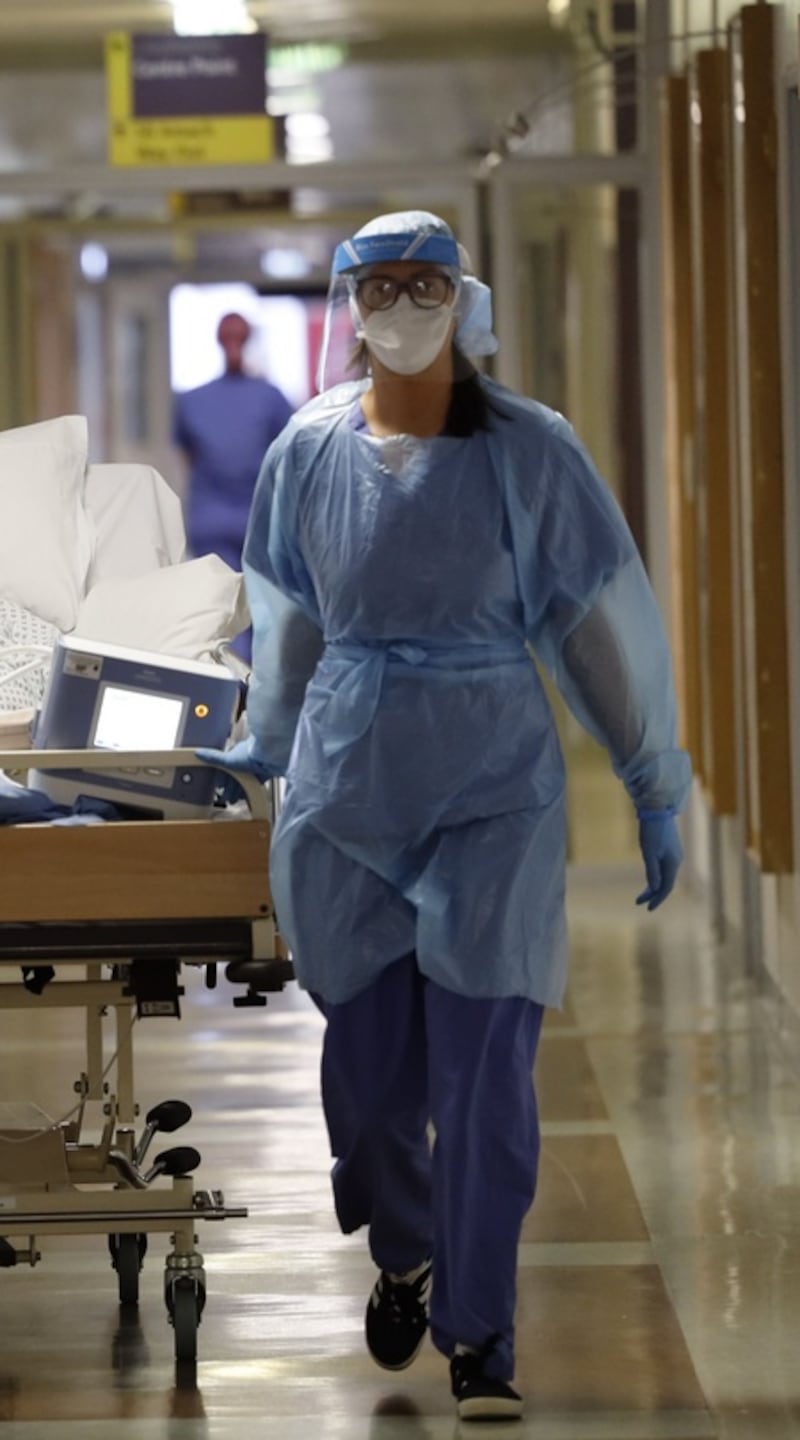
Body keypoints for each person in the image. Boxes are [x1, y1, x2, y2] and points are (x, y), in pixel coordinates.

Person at [199, 211, 692, 1423]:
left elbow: (593, 624)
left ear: (459, 296)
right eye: (381, 286)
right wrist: (259, 750)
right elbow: (289, 621)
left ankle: (482, 1334)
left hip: (489, 786)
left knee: (481, 1083)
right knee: (368, 1093)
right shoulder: (307, 451)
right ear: (348, 302)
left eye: (425, 284)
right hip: (347, 786)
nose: (403, 306)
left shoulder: (531, 451)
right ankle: (404, 1247)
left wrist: (649, 776)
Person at [172, 309, 294, 580]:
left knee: (221, 606)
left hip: (225, 519)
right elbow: (288, 459)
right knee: (257, 608)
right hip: (249, 521)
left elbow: (188, 456)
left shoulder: (194, 402)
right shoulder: (270, 398)